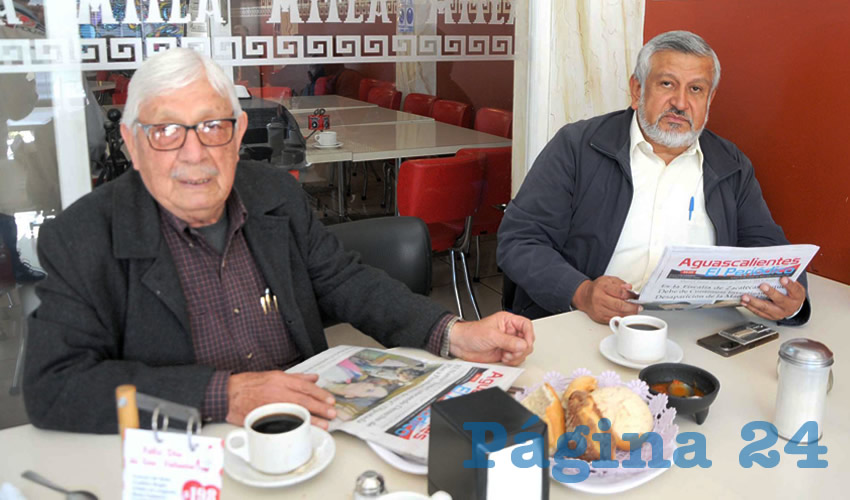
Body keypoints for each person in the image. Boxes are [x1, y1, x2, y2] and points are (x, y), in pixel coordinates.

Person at [22, 48, 534, 434]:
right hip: (192, 448)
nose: (194, 154)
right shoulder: (84, 237)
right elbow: (56, 387)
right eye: (166, 132)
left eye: (212, 127)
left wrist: (452, 332)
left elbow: (344, 280)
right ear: (132, 144)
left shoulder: (270, 193)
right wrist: (224, 395)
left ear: (239, 131)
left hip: (308, 432)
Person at [498, 30, 809, 325]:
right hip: (589, 322)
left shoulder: (731, 164)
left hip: (696, 331)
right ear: (637, 90)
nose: (681, 103)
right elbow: (520, 240)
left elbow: (768, 249)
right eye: (667, 84)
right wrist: (581, 292)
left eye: (696, 89)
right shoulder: (578, 146)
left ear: (710, 99)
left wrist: (792, 300)